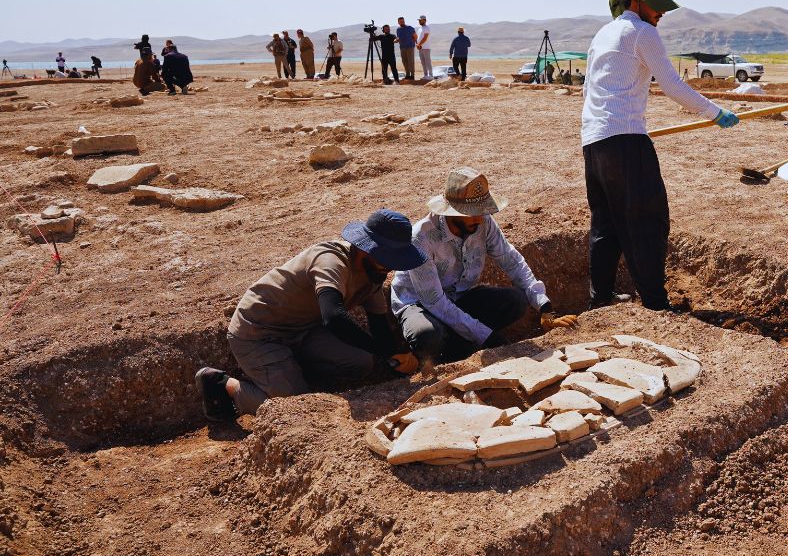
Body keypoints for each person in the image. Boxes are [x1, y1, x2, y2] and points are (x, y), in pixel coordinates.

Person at [582, 0, 740, 311]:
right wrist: (715, 112)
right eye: (657, 5)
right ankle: (655, 302)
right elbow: (672, 85)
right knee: (646, 219)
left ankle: (601, 300)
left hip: (594, 142)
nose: (662, 13)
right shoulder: (642, 33)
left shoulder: (603, 34)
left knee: (606, 224)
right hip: (625, 140)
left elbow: (589, 88)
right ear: (637, 3)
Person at [195, 209, 426, 421]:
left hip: (303, 329)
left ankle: (291, 375)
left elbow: (378, 323)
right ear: (366, 249)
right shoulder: (331, 261)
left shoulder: (373, 271)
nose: (390, 267)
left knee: (361, 363)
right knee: (297, 409)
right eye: (387, 259)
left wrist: (396, 355)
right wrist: (387, 351)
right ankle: (224, 384)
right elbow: (333, 317)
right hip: (259, 332)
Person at [391, 168, 578, 371]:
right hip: (421, 304)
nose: (479, 219)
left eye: (482, 211)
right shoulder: (421, 237)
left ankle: (460, 349)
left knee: (516, 301)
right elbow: (434, 302)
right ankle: (429, 359)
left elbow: (511, 260)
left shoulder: (484, 223)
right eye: (471, 213)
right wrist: (489, 338)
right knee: (427, 335)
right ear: (452, 211)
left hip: (458, 297)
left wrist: (544, 307)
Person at [416, 15, 433, 79]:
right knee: (423, 62)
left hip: (426, 47)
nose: (420, 21)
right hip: (420, 48)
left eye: (421, 20)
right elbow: (419, 38)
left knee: (428, 62)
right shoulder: (420, 28)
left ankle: (431, 75)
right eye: (419, 20)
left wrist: (419, 44)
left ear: (425, 20)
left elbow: (425, 38)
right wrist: (418, 44)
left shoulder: (427, 28)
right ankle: (426, 75)